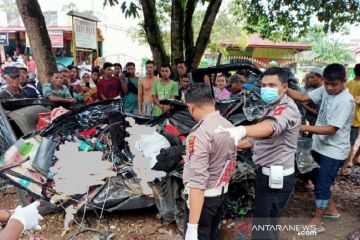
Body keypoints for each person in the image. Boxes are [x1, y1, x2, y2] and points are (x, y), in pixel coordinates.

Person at [218, 67, 301, 239]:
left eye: (272, 85)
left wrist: (241, 129)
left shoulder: (286, 109)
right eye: (263, 85)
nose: (266, 89)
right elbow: (254, 141)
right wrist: (228, 143)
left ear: (284, 87)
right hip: (265, 175)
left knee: (264, 229)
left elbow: (270, 128)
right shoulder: (271, 106)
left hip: (276, 180)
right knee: (264, 224)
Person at [286, 63, 354, 233]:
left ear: (343, 81)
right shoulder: (325, 90)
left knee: (322, 186)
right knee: (317, 180)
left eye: (334, 85)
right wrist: (282, 88)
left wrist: (304, 128)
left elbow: (331, 129)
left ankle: (317, 222)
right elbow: (303, 97)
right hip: (319, 146)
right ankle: (331, 210)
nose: (329, 88)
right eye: (327, 84)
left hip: (334, 151)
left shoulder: (346, 101)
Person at [183, 83, 236, 240]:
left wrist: (192, 228)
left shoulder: (201, 134)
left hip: (203, 201)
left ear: (190, 107)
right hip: (221, 196)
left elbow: (198, 182)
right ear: (213, 101)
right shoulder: (229, 126)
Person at [341, 63, 360, 176]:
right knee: (351, 143)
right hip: (356, 118)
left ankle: (351, 160)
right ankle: (346, 164)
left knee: (346, 141)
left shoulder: (348, 83)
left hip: (345, 117)